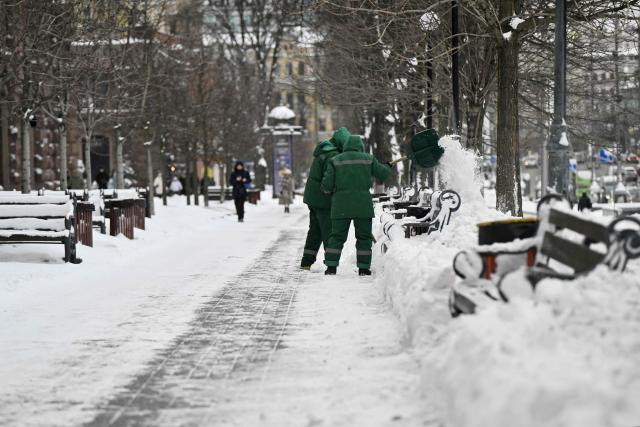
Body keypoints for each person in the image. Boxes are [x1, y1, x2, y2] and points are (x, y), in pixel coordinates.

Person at [321, 135, 391, 276]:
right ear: (360, 146)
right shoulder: (368, 159)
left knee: (336, 237)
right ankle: (364, 268)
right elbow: (382, 173)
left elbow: (326, 186)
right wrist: (388, 166)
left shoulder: (335, 161)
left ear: (346, 146)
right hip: (362, 205)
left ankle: (331, 267)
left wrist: (329, 190)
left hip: (341, 206)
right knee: (364, 238)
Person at [300, 127, 350, 270]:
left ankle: (306, 262)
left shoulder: (325, 150)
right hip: (323, 199)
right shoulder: (332, 155)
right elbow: (329, 180)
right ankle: (331, 263)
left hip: (313, 198)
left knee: (315, 231)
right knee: (329, 231)